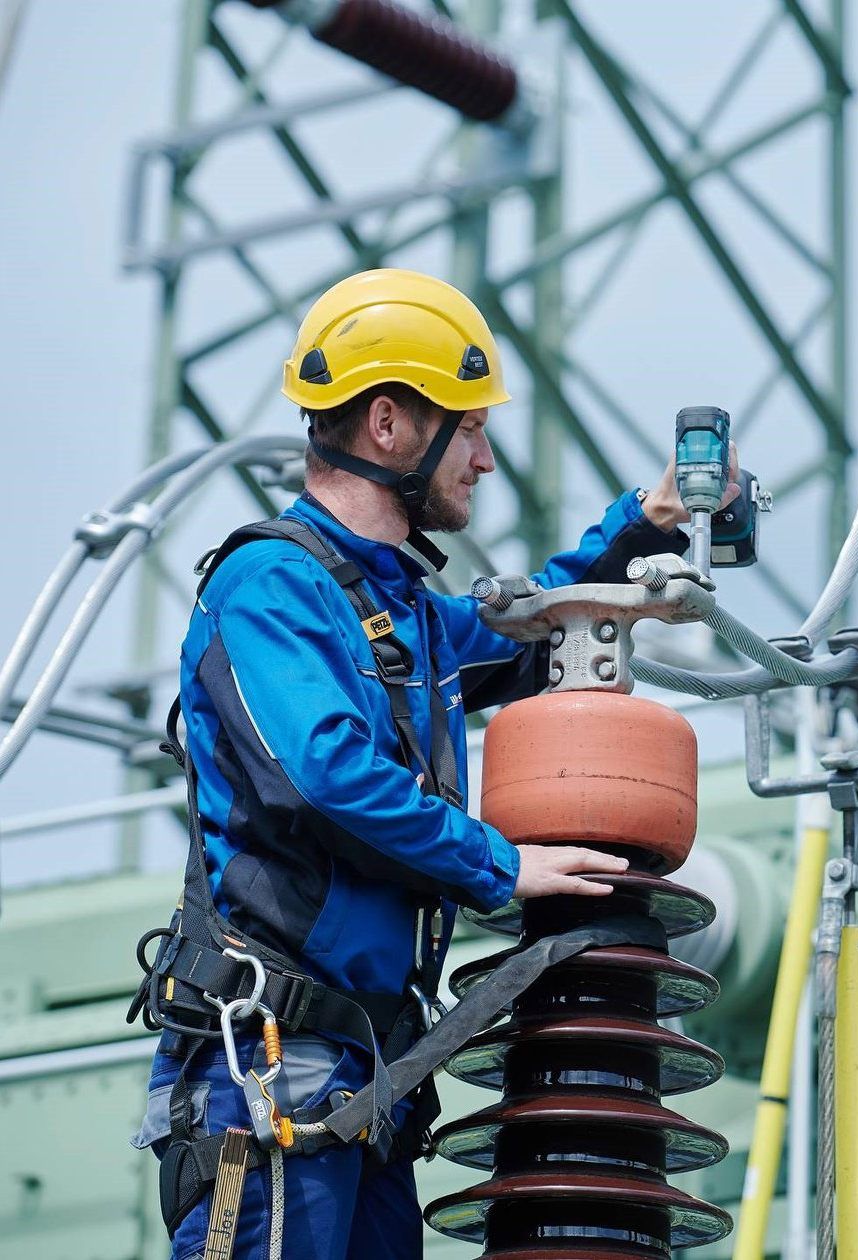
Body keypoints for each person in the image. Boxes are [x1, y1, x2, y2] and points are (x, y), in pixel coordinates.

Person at [130, 268, 735, 1258]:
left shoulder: (397, 610)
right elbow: (328, 771)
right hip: (270, 1081)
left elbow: (534, 622)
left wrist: (648, 525)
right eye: (471, 428)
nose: (488, 460)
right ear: (387, 425)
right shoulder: (270, 584)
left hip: (363, 1083)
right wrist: (503, 865)